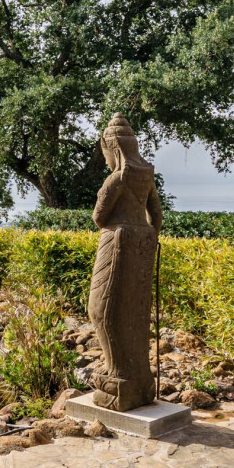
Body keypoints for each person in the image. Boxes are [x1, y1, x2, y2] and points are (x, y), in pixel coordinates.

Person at [87, 114, 164, 412]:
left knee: (101, 307)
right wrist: (147, 239)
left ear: (113, 148)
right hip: (143, 241)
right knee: (134, 309)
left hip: (116, 239)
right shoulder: (145, 177)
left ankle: (117, 371)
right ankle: (139, 378)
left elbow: (99, 217)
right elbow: (156, 217)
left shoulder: (117, 178)